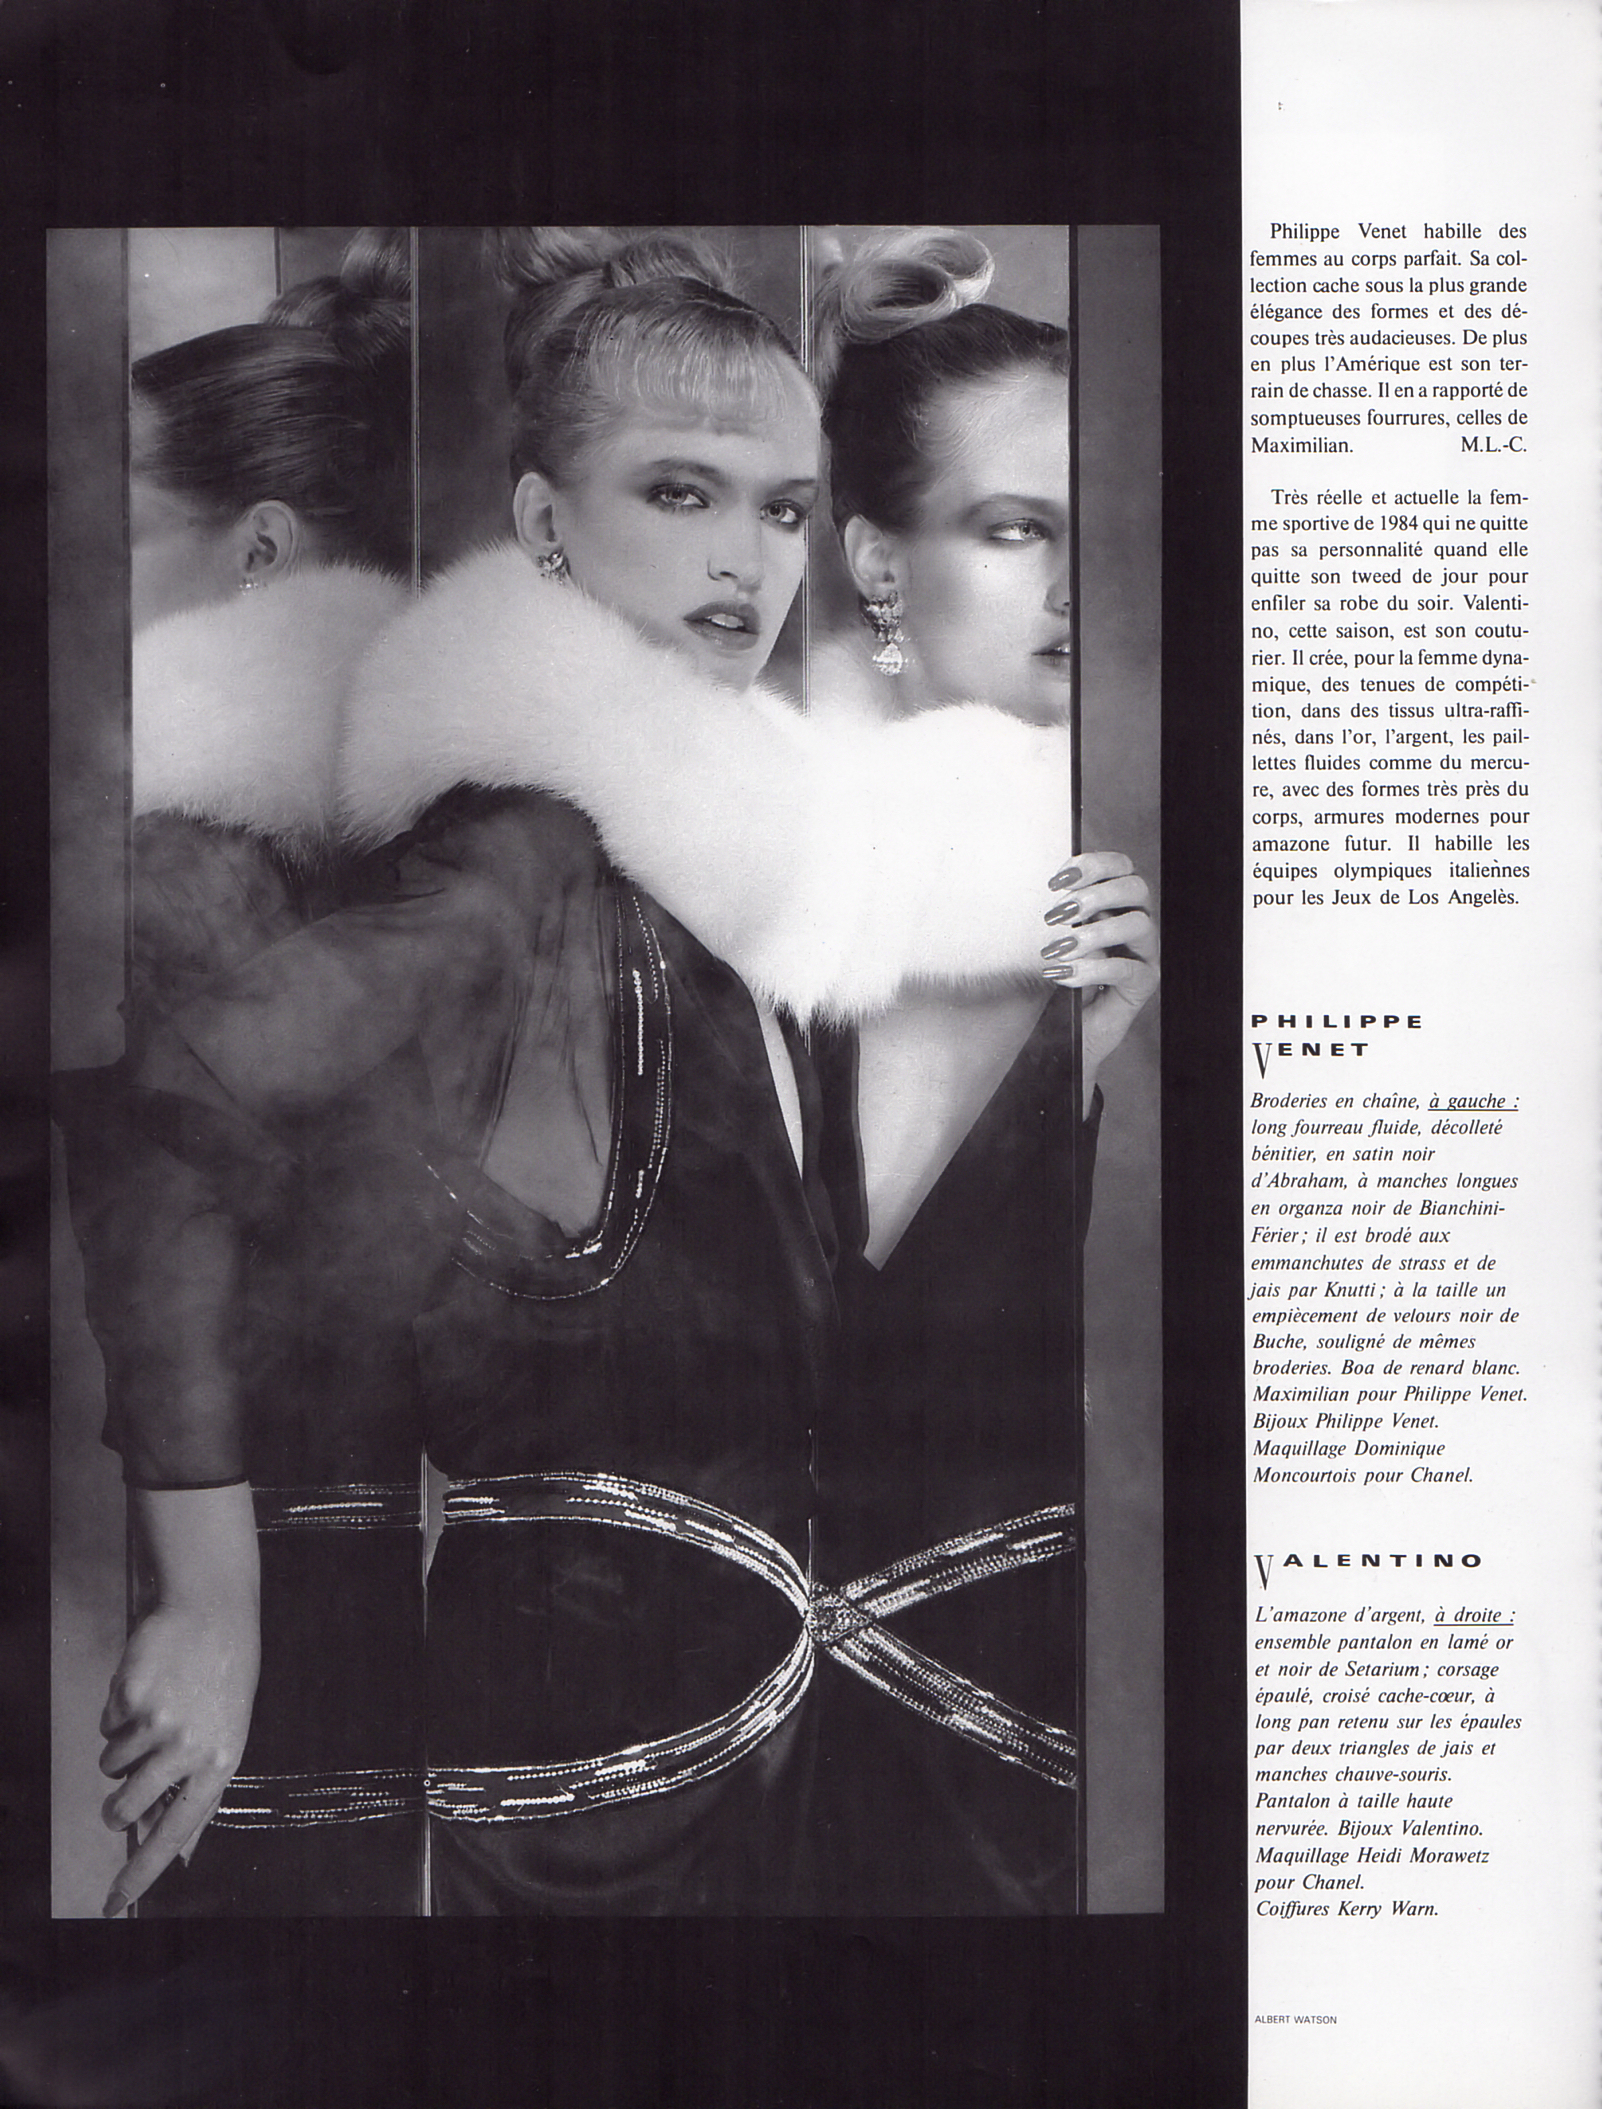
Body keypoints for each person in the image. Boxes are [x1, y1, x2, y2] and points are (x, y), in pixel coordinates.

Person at [102, 228, 1106, 1915]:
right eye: (678, 492)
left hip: (748, 1782)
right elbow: (171, 1114)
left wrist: (1077, 1047)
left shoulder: (723, 882)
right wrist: (212, 1587)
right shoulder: (521, 848)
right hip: (557, 1818)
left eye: (780, 509)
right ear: (544, 524)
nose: (742, 557)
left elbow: (822, 1350)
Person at [59, 231, 428, 1915]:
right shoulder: (407, 834)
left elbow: (165, 1190)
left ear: (262, 549)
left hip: (254, 1582)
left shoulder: (178, 835)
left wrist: (211, 1589)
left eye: (112, 529)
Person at [799, 227, 1159, 1911]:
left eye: (1096, 527)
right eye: (1014, 530)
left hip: (1056, 1731)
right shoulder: (778, 883)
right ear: (878, 564)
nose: (1073, 589)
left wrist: (1089, 1057)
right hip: (794, 1760)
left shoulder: (1120, 883)